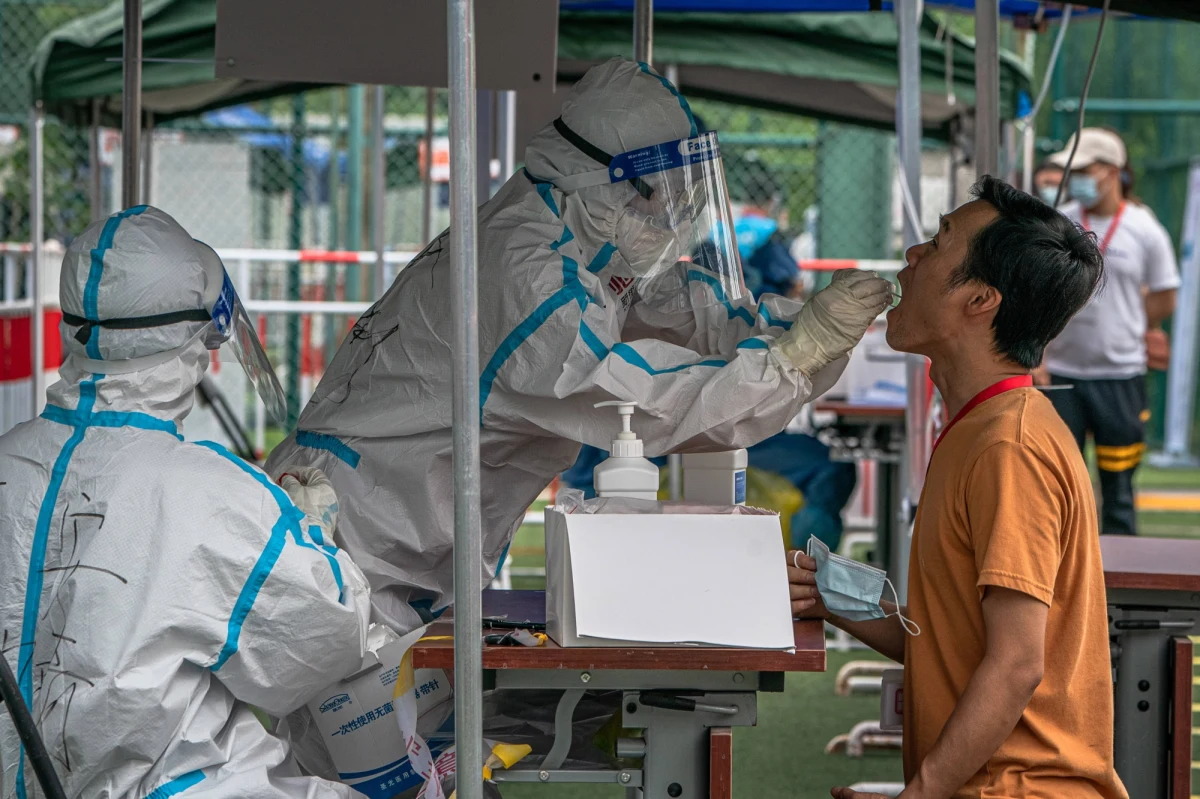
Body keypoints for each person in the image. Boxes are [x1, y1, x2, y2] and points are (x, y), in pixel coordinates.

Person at [265, 57, 892, 634]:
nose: (672, 219)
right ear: (609, 183)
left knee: (411, 712)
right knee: (362, 720)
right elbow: (640, 400)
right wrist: (793, 356)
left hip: (401, 531)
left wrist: (791, 327)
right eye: (662, 196)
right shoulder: (527, 270)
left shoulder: (574, 235)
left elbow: (681, 309)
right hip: (354, 530)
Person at [0, 207, 372, 798]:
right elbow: (323, 644)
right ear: (194, 344)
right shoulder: (210, 493)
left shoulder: (10, 460)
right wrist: (311, 532)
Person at [790, 177, 1126, 799]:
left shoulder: (1009, 446)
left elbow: (1017, 664)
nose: (913, 254)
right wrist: (827, 597)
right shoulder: (983, 426)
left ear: (979, 299)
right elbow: (945, 640)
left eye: (940, 241)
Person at [1037, 128, 1180, 535]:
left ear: (1113, 172)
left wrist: (1132, 325)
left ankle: (1117, 572)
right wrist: (1039, 355)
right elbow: (1038, 292)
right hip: (1060, 374)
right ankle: (1059, 568)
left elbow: (1165, 294)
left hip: (1120, 375)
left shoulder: (1144, 227)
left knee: (1118, 491)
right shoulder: (1060, 221)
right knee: (1055, 488)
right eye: (1074, 170)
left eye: (1085, 170)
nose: (1076, 179)